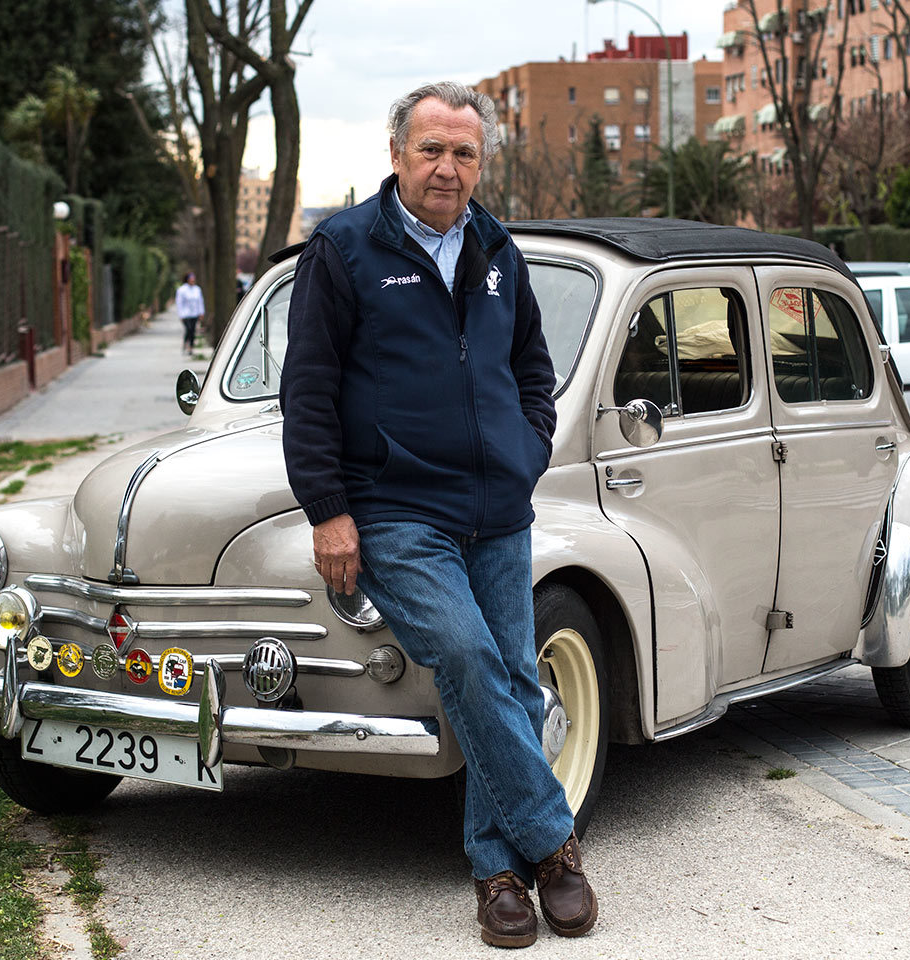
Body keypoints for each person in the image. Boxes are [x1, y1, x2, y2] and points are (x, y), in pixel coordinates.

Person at [280, 81, 597, 948]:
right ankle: (553, 844)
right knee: (465, 655)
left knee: (510, 680)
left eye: (465, 153)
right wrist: (329, 510)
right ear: (396, 154)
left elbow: (534, 372)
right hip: (396, 510)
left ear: (481, 161)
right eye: (432, 150)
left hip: (497, 506)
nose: (448, 168)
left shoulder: (499, 249)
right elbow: (305, 393)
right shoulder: (343, 251)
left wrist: (527, 450)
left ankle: (498, 876)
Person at [175, 273, 205, 353]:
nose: (192, 280)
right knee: (188, 329)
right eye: (191, 279)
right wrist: (180, 314)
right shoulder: (182, 290)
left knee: (193, 330)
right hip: (185, 314)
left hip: (194, 313)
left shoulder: (197, 289)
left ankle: (191, 347)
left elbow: (200, 301)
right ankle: (186, 343)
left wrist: (201, 312)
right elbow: (179, 303)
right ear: (187, 280)